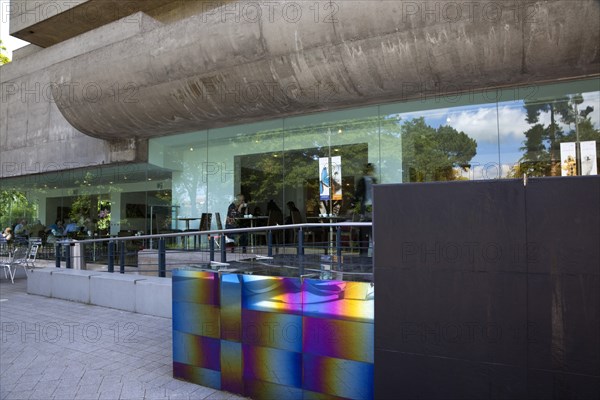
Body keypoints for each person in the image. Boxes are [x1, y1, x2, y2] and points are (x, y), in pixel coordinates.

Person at [354, 163, 377, 255]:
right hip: (366, 209)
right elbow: (358, 193)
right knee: (364, 232)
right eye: (369, 169)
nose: (370, 171)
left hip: (374, 208)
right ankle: (363, 254)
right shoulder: (362, 180)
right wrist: (353, 206)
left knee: (373, 232)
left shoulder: (374, 180)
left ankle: (374, 254)